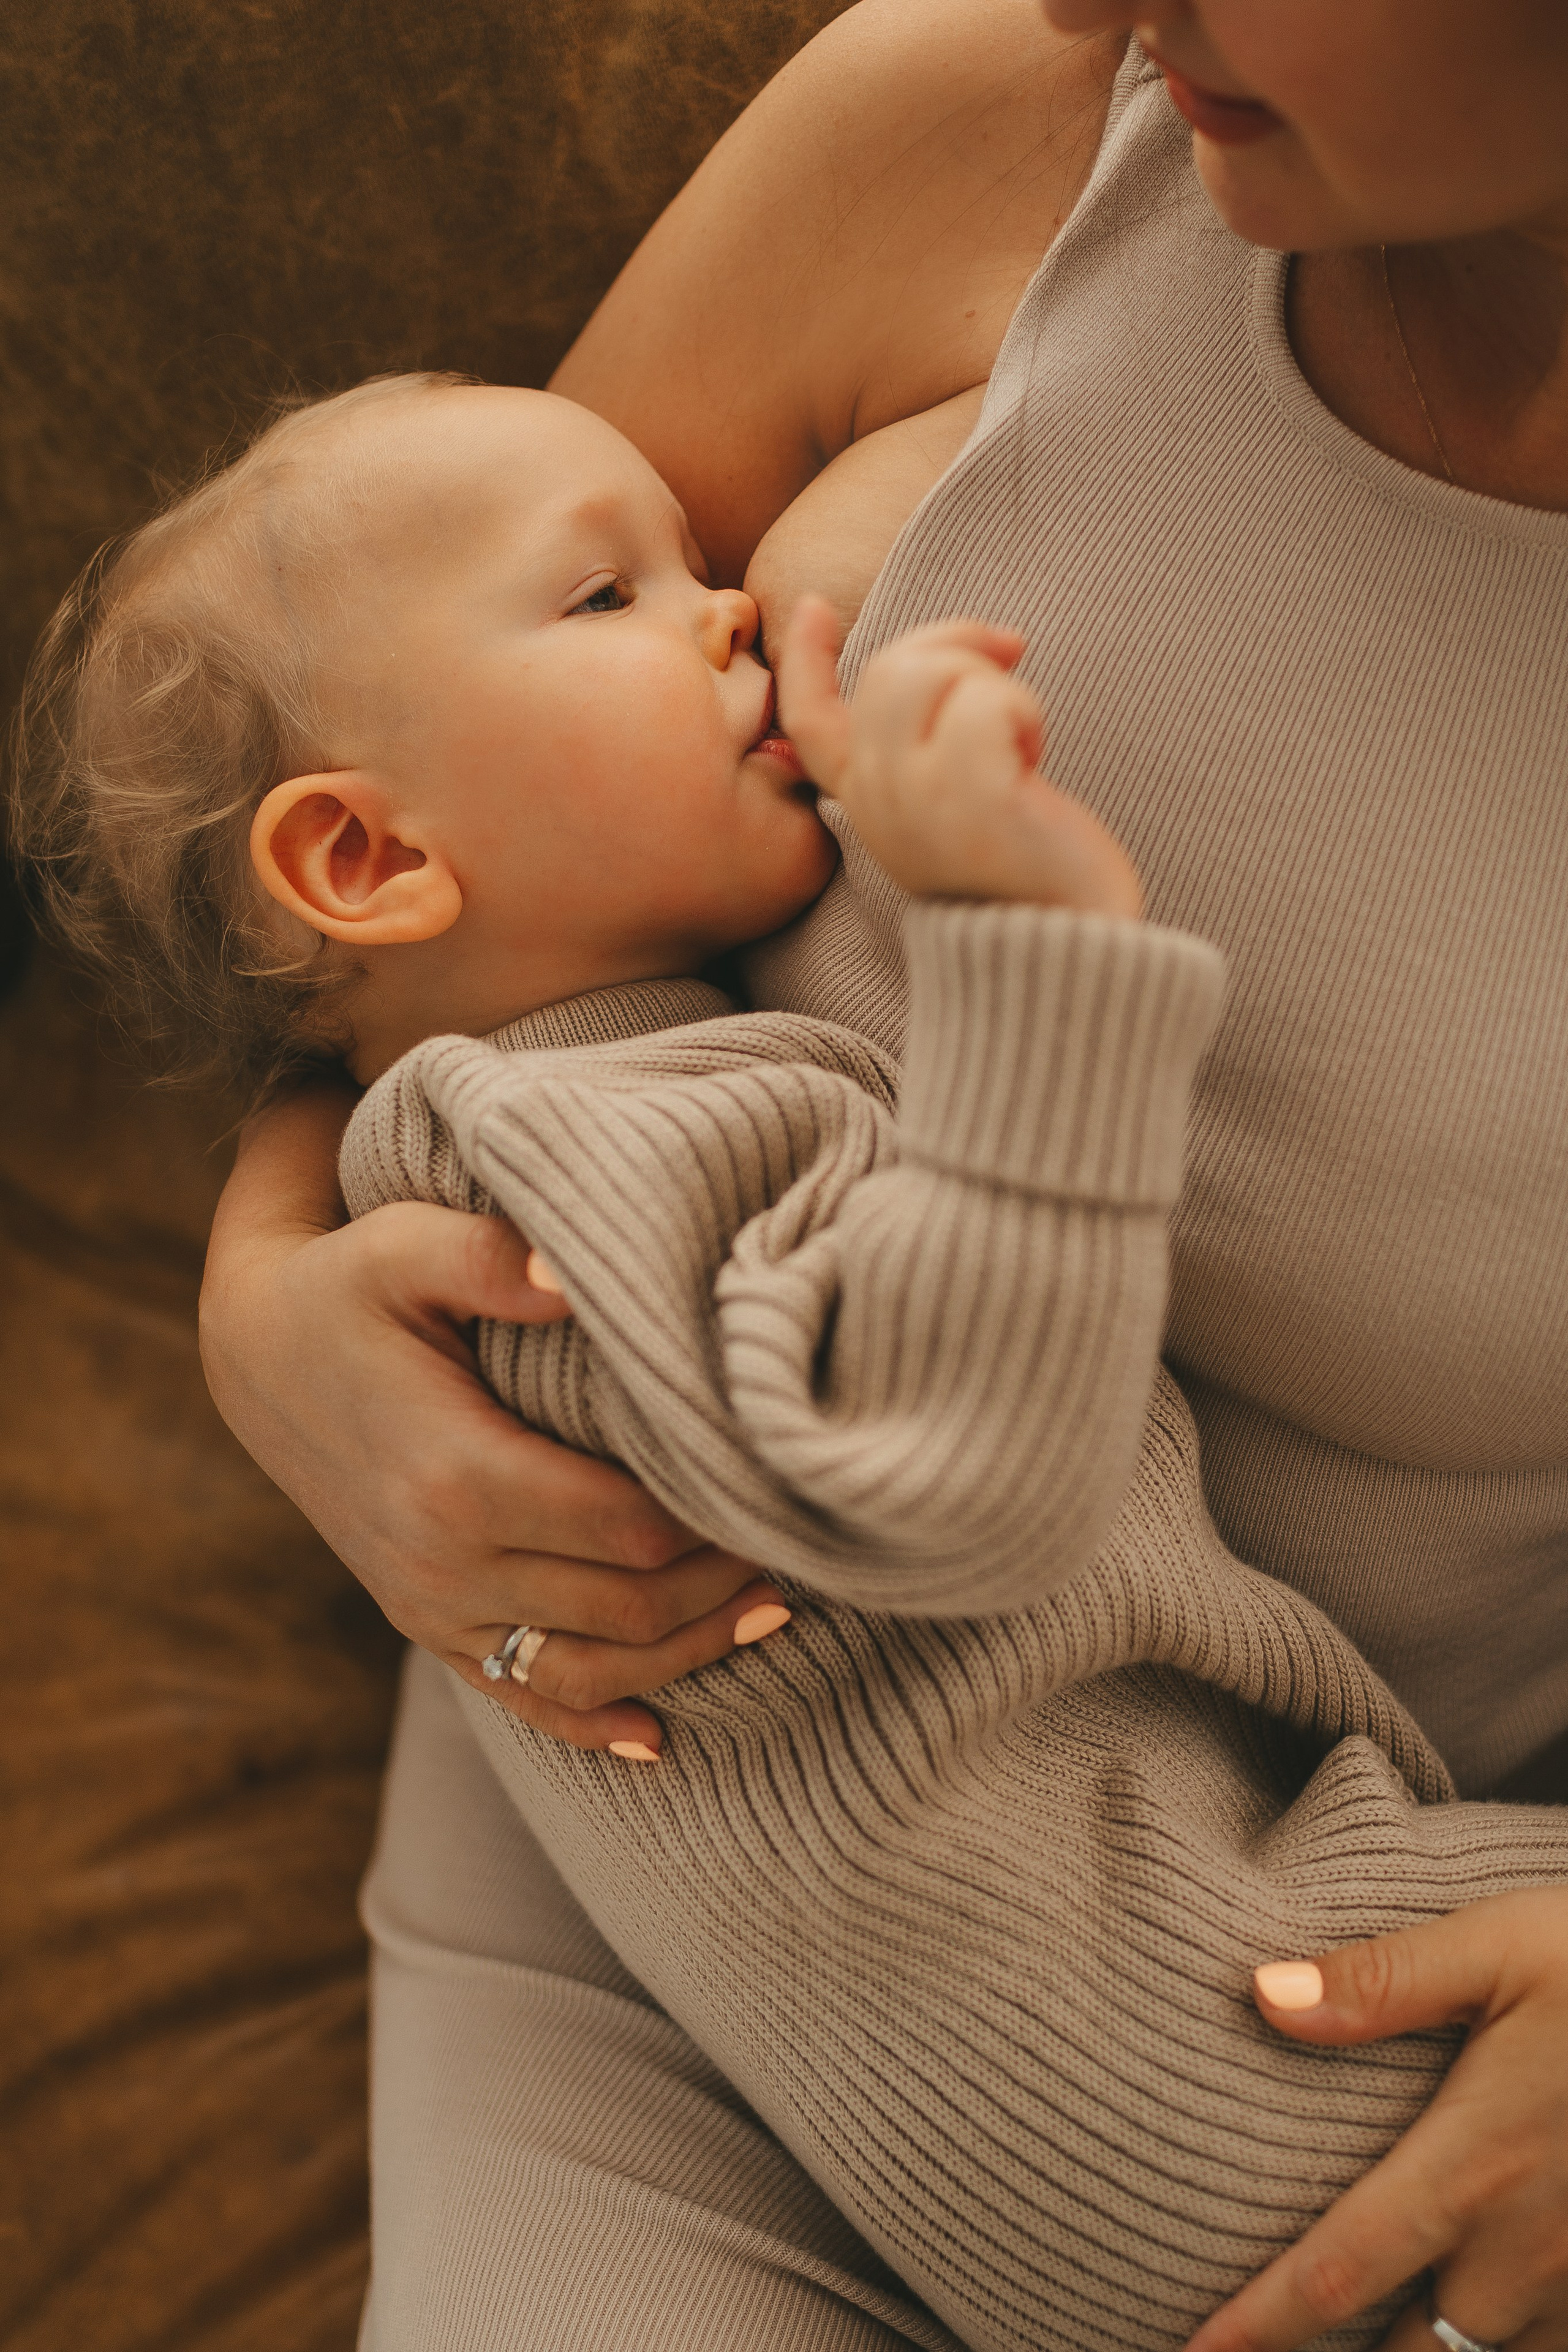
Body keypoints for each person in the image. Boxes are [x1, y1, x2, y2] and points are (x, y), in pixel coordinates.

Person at [194, 2, 1568, 2346]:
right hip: (658, 1862)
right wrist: (262, 1305)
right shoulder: (973, 125)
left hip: (1315, 1954)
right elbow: (382, 792)